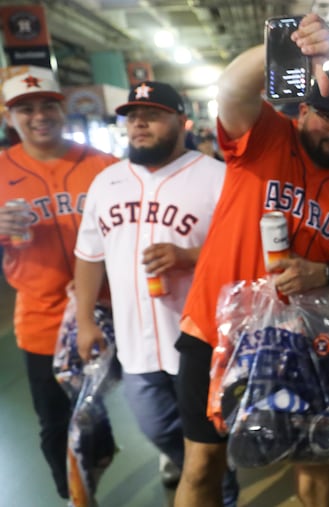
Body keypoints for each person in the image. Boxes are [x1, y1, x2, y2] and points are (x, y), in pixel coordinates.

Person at [174, 13, 329, 507]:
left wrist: (324, 272)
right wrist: (286, 51)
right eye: (327, 115)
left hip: (306, 340)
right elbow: (232, 90)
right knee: (203, 464)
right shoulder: (267, 137)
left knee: (314, 459)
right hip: (214, 331)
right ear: (303, 110)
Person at [72, 81, 238, 505]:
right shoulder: (106, 182)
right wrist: (87, 320)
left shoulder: (217, 177)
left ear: (181, 121)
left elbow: (243, 253)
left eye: (152, 114)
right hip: (134, 343)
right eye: (131, 115)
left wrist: (190, 255)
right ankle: (208, 474)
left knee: (206, 441)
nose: (139, 123)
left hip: (200, 340)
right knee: (158, 429)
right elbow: (89, 255)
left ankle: (217, 486)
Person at [0, 65, 118, 500]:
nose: (37, 116)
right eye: (24, 108)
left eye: (46, 105)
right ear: (9, 116)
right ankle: (73, 495)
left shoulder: (104, 165)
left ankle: (155, 448)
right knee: (55, 421)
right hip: (41, 316)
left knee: (129, 404)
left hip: (114, 310)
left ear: (62, 108)